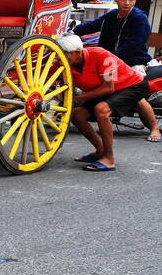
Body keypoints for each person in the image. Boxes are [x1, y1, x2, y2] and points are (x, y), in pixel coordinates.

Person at [72, 0, 159, 141]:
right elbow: (91, 26)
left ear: (135, 0)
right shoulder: (112, 15)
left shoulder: (139, 18)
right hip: (108, 62)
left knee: (135, 94)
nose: (127, 3)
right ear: (116, 0)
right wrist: (70, 31)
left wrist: (109, 60)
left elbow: (133, 45)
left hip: (132, 63)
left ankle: (154, 128)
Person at [59, 33, 151, 171]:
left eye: (64, 53)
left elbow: (109, 87)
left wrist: (78, 99)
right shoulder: (62, 61)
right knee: (77, 115)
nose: (58, 57)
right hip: (105, 89)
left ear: (77, 53)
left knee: (102, 110)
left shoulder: (101, 55)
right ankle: (100, 152)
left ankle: (109, 158)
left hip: (132, 86)